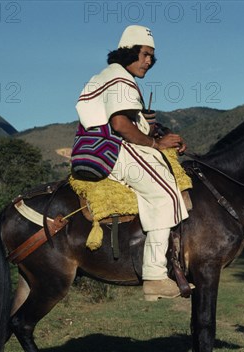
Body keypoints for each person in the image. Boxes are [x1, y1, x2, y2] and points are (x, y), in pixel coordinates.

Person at [74, 25, 189, 301]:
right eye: (145, 54)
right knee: (166, 194)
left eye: (152, 57)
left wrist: (157, 132)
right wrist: (155, 144)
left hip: (91, 148)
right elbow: (121, 124)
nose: (149, 61)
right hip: (111, 150)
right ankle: (155, 275)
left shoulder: (107, 76)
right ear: (129, 52)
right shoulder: (120, 78)